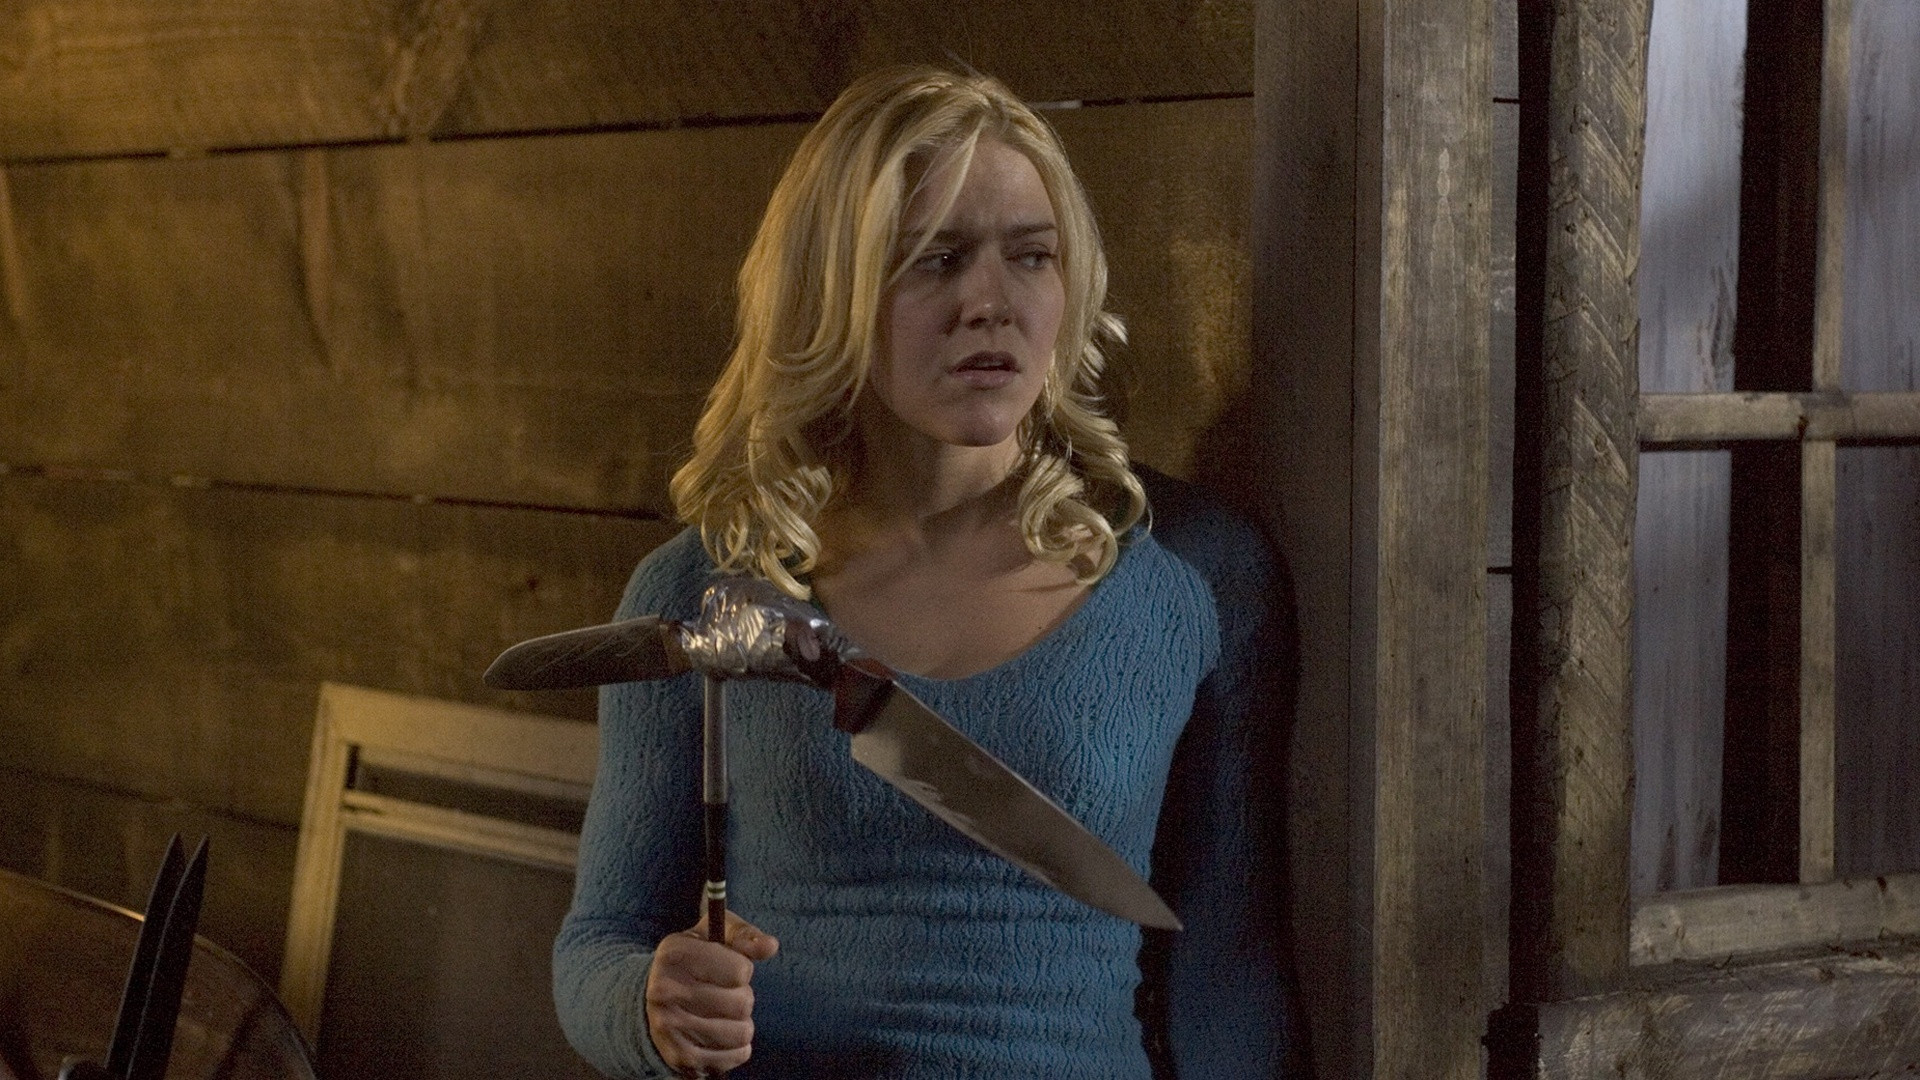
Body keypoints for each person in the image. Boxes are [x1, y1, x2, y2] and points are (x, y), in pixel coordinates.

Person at [553, 65, 1296, 1079]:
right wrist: (651, 1009)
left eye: (1031, 256)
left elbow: (1231, 972)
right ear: (829, 290)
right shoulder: (704, 594)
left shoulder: (1195, 575)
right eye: (934, 260)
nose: (990, 303)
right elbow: (600, 940)